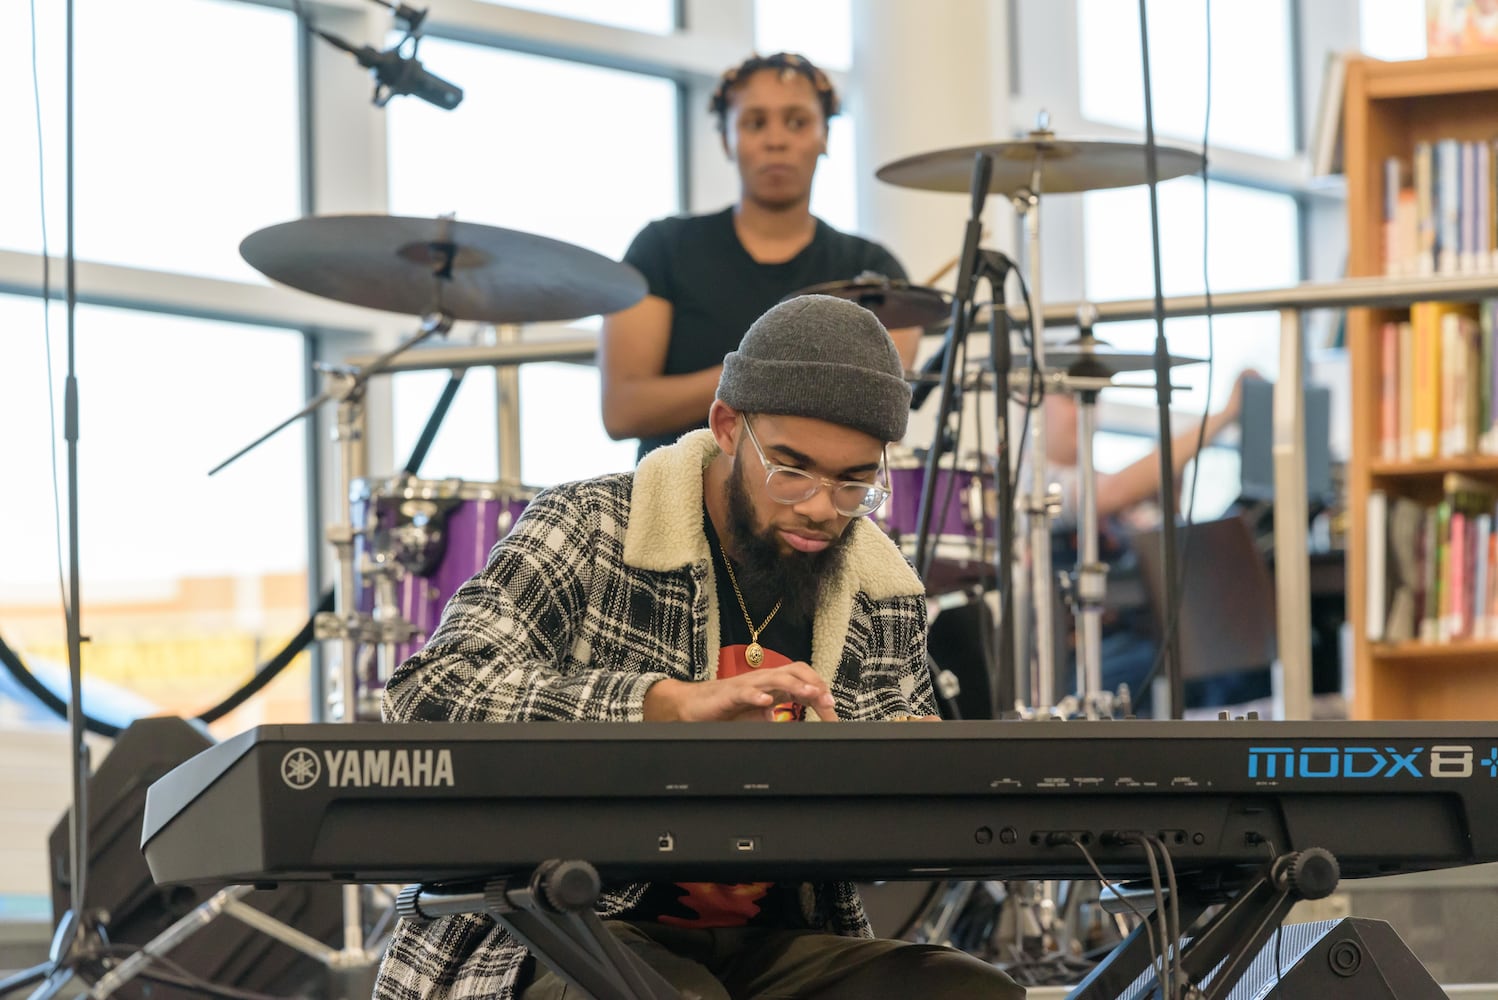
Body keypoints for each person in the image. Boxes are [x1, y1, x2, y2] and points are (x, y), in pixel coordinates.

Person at [373, 295, 1023, 1000]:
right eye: (791, 468)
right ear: (725, 427)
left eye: (853, 483)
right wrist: (664, 705)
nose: (818, 507)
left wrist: (901, 775)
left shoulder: (883, 587)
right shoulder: (591, 524)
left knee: (969, 991)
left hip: (779, 940)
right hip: (573, 923)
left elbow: (880, 840)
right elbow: (431, 692)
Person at [600, 52, 921, 462]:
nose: (776, 139)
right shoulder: (663, 248)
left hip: (820, 509)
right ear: (726, 140)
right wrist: (764, 372)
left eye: (797, 122)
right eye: (754, 123)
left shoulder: (872, 271)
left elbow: (881, 414)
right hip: (677, 501)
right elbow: (623, 410)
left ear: (824, 136)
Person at [1042, 369, 1260, 713]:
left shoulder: (1100, 481)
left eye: (1092, 399)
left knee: (1241, 663)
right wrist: (1224, 414)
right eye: (1070, 399)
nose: (1087, 411)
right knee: (1202, 665)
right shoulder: (1033, 480)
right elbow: (1108, 493)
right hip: (1090, 658)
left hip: (1147, 636)